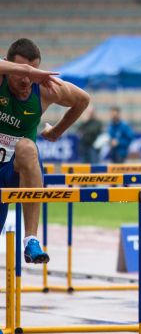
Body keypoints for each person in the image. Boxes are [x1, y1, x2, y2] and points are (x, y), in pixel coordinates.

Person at [0, 38, 90, 263]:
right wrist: (28, 71)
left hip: (16, 170)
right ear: (9, 65)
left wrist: (56, 131)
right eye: (20, 72)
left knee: (27, 147)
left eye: (32, 73)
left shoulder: (44, 89)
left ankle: (31, 239)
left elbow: (82, 99)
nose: (26, 80)